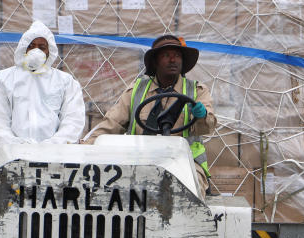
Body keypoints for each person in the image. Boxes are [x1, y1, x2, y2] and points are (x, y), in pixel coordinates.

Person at [85, 34, 216, 194]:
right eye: (166, 55)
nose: (173, 60)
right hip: (139, 160)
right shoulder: (136, 90)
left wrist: (201, 116)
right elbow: (112, 123)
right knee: (117, 195)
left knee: (187, 194)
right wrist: (85, 146)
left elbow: (208, 126)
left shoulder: (196, 91)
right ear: (155, 62)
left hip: (186, 162)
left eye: (177, 55)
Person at [0, 21, 85, 159]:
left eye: (42, 47)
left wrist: (51, 147)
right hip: (9, 157)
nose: (36, 51)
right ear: (23, 48)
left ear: (50, 51)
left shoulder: (65, 82)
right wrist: (16, 147)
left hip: (55, 157)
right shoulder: (2, 79)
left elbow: (73, 121)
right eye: (31, 46)